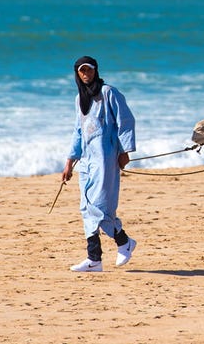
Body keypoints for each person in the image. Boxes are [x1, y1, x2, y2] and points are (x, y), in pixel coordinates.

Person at [61, 55, 137, 272]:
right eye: (82, 71)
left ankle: (124, 242)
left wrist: (125, 150)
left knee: (100, 205)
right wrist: (69, 162)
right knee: (86, 207)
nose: (86, 74)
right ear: (77, 73)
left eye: (90, 70)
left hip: (106, 158)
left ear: (96, 71)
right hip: (86, 161)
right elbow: (78, 131)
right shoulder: (79, 99)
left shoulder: (108, 93)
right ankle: (94, 259)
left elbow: (126, 121)